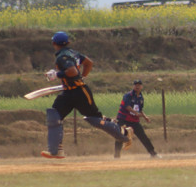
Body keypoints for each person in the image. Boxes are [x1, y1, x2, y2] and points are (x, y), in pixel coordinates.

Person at [42, 31, 134, 159]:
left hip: (80, 92)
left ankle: (124, 132)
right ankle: (57, 150)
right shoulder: (73, 53)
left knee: (95, 119)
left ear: (53, 43)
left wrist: (57, 75)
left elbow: (72, 71)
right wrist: (82, 76)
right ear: (68, 42)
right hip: (68, 92)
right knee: (54, 115)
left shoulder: (62, 56)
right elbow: (89, 63)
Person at [114, 80, 160, 159]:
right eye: (136, 85)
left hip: (134, 121)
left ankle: (153, 153)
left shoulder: (141, 97)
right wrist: (135, 113)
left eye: (139, 85)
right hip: (123, 119)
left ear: (141, 87)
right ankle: (116, 156)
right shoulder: (128, 95)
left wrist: (145, 117)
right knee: (120, 136)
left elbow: (140, 109)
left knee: (143, 136)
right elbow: (127, 107)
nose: (137, 86)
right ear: (133, 86)